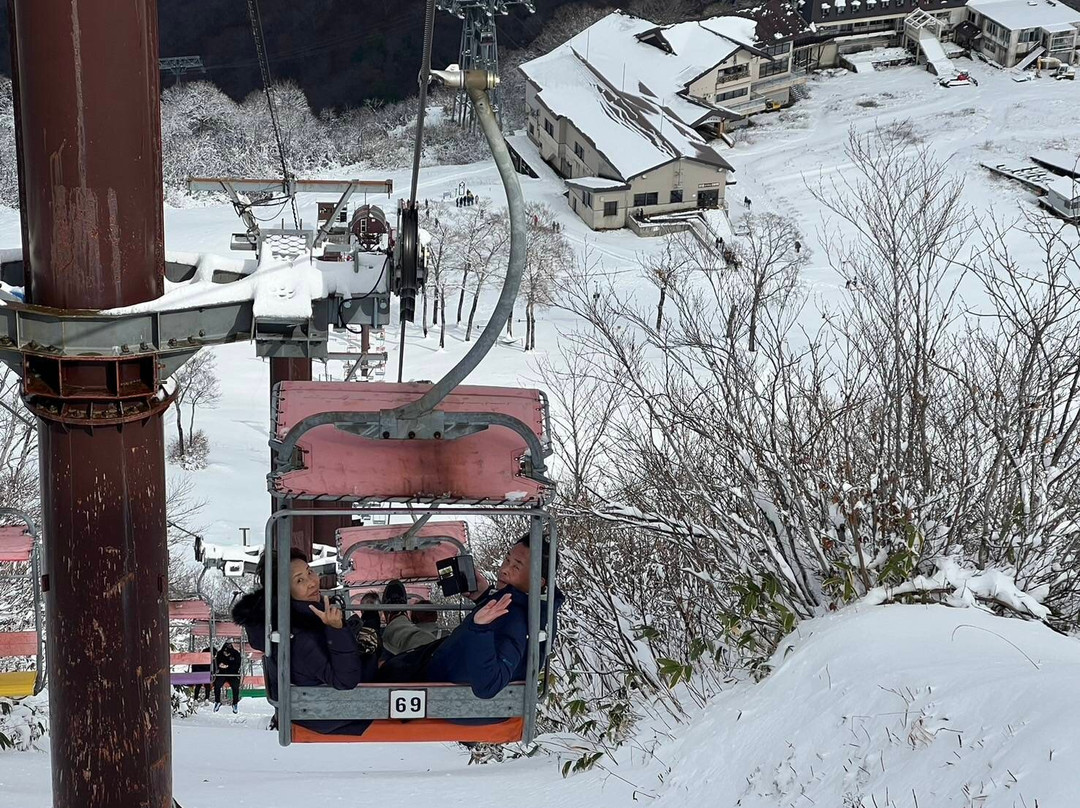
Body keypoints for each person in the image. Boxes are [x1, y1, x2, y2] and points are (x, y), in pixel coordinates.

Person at [378, 532, 564, 699]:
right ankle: (408, 623)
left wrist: (480, 628)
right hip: (449, 661)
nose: (504, 569)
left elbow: (489, 684)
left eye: (516, 567)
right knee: (419, 643)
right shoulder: (533, 609)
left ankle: (394, 618)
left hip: (439, 681)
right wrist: (485, 596)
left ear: (538, 582)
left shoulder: (516, 621)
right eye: (507, 560)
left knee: (399, 647)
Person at [232, 547, 378, 736]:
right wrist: (337, 630)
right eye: (300, 580)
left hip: (336, 704)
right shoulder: (300, 638)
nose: (312, 582)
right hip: (340, 713)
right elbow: (345, 680)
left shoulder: (293, 623)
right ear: (284, 592)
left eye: (309, 572)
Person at [213, 640, 242, 713]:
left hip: (233, 673)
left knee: (235, 686)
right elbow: (216, 663)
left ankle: (235, 703)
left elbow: (237, 665)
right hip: (222, 673)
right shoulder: (220, 653)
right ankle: (217, 701)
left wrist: (228, 666)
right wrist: (220, 666)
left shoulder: (235, 654)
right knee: (217, 685)